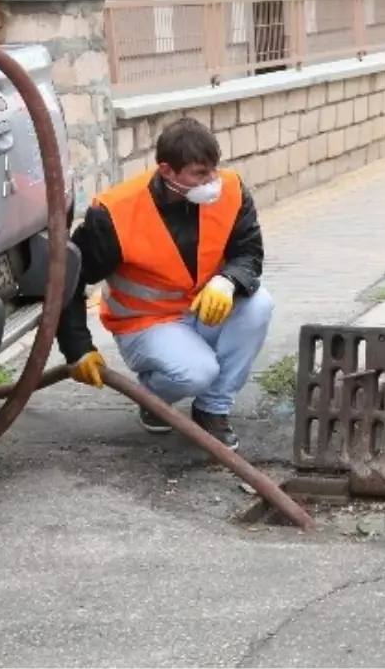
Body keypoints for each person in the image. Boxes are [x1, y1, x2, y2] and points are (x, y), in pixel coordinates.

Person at [56, 116, 274, 449]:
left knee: (259, 305)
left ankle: (212, 410)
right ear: (167, 171)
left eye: (214, 168)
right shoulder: (116, 215)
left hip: (201, 310)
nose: (213, 181)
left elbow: (249, 252)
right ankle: (153, 399)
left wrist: (229, 281)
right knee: (198, 372)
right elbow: (68, 280)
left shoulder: (231, 191)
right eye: (200, 174)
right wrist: (77, 348)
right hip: (145, 324)